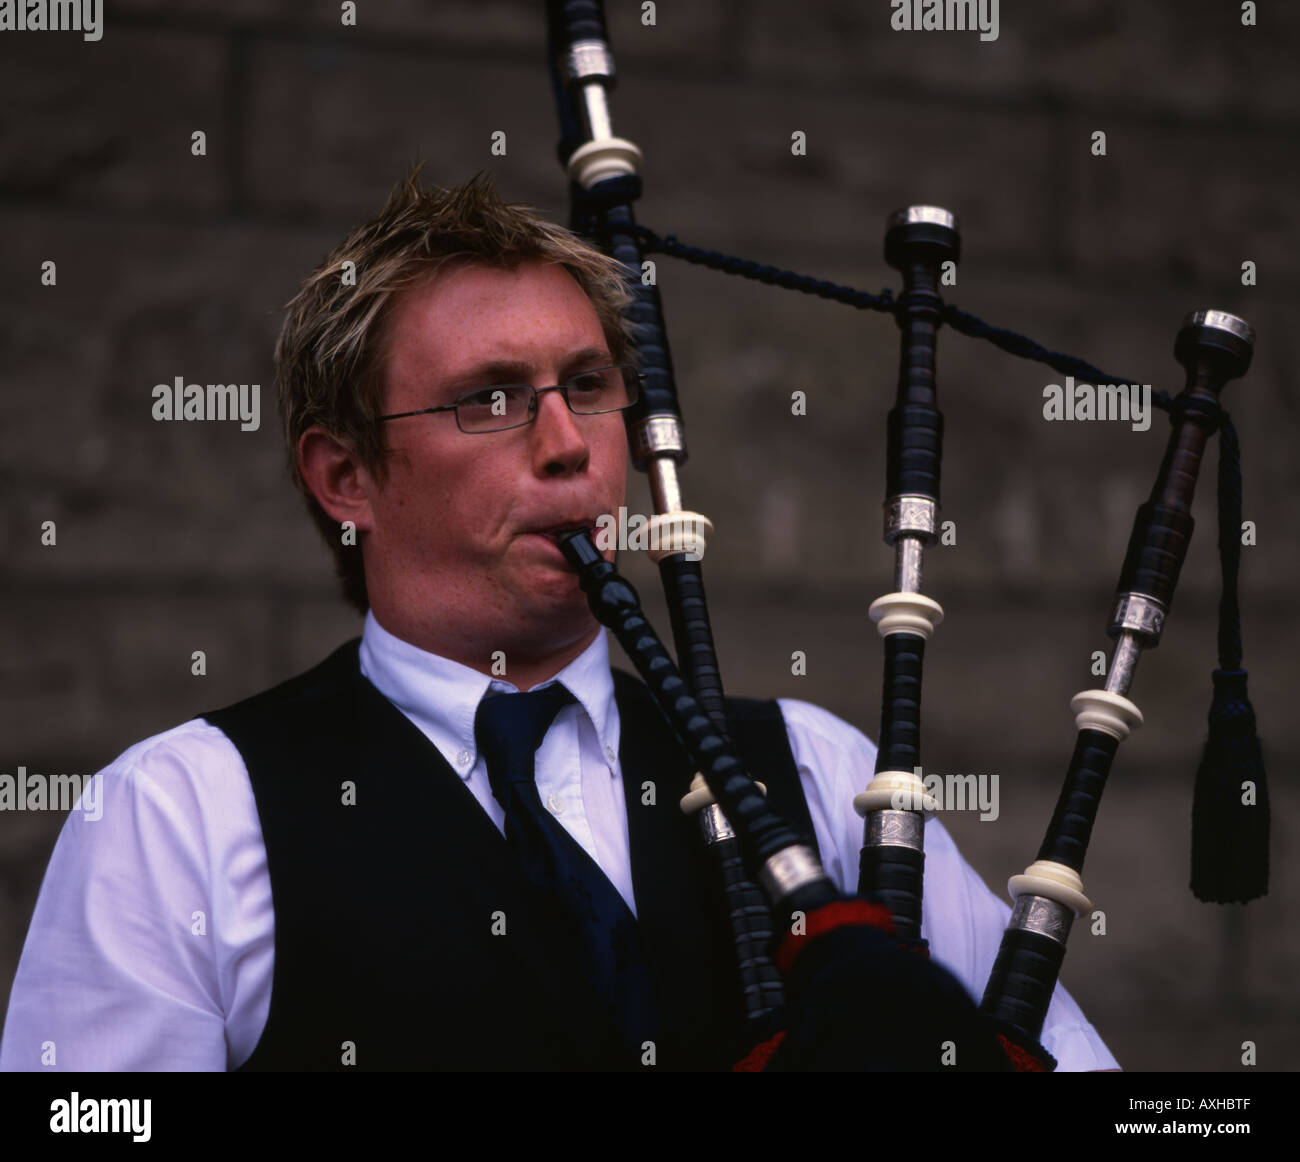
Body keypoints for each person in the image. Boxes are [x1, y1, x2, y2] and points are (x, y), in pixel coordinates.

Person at [0, 170, 1117, 1072]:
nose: (567, 443)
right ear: (346, 477)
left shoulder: (816, 776)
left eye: (587, 385)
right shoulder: (181, 816)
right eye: (488, 398)